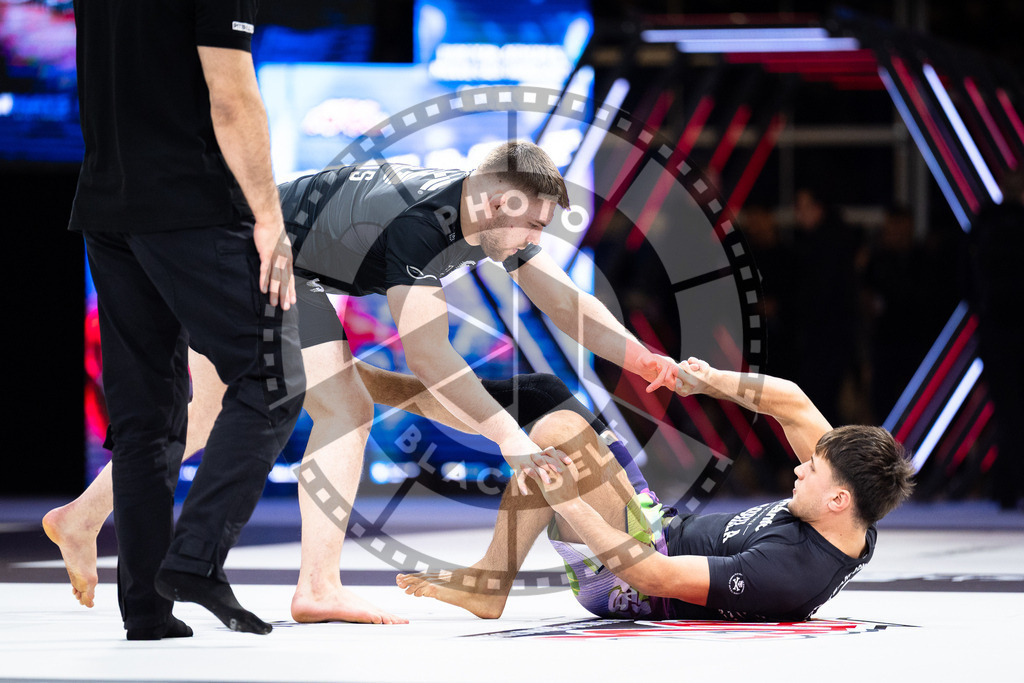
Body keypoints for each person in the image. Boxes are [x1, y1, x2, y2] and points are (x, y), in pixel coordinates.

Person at [48, 140, 679, 624]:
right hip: (259, 254)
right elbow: (429, 357)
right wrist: (514, 445)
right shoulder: (420, 224)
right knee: (345, 410)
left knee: (210, 413)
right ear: (494, 203)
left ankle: (81, 517)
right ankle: (316, 588)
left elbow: (564, 300)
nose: (535, 243)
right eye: (535, 228)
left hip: (259, 253)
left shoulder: (485, 217)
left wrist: (641, 358)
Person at [67, 0, 306, 639]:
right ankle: (197, 558)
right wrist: (269, 217)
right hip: (189, 204)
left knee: (146, 416)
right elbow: (232, 97)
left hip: (108, 203)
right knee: (272, 377)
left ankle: (147, 610)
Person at [398, 357, 914, 622]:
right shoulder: (849, 508)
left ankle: (491, 583)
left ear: (837, 500)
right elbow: (793, 404)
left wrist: (565, 496)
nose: (799, 470)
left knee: (556, 436)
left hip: (632, 583)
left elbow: (652, 574)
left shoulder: (792, 572)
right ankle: (371, 384)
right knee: (546, 394)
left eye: (811, 471)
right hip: (658, 522)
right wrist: (707, 380)